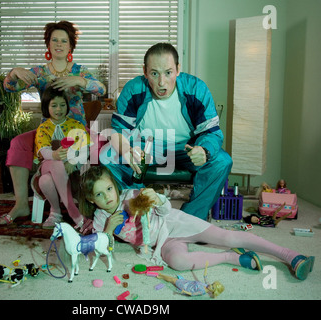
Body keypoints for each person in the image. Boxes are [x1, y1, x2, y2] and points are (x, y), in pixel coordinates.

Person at [79, 166, 315, 281]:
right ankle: (232, 257)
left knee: (226, 236)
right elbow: (101, 250)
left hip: (174, 223)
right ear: (91, 199)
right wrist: (108, 232)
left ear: (115, 185)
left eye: (109, 188)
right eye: (99, 194)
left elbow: (165, 209)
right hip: (162, 244)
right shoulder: (101, 219)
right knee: (179, 263)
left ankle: (289, 255)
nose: (108, 197)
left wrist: (157, 198)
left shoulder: (131, 196)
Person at [99, 42, 232, 220]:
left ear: (178, 69)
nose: (162, 82)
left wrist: (204, 150)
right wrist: (127, 150)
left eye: (168, 73)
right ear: (145, 72)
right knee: (107, 155)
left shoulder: (196, 89)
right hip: (146, 148)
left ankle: (190, 220)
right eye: (154, 73)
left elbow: (212, 132)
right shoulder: (133, 90)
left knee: (222, 161)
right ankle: (136, 211)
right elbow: (118, 132)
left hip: (186, 148)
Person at [0, 21, 105, 229]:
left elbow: (101, 88)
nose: (59, 44)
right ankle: (21, 204)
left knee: (103, 143)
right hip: (48, 132)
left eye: (64, 40)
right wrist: (14, 72)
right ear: (48, 44)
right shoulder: (39, 72)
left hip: (76, 131)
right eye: (54, 39)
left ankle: (95, 200)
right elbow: (10, 87)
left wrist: (79, 81)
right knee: (18, 142)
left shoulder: (80, 71)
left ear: (71, 46)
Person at [30, 87, 89, 228]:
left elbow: (85, 150)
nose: (59, 109)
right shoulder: (43, 128)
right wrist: (54, 155)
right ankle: (73, 212)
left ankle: (55, 212)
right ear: (46, 107)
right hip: (47, 166)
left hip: (71, 172)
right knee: (55, 164)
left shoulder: (76, 125)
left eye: (62, 105)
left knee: (45, 181)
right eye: (54, 105)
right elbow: (44, 152)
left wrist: (73, 162)